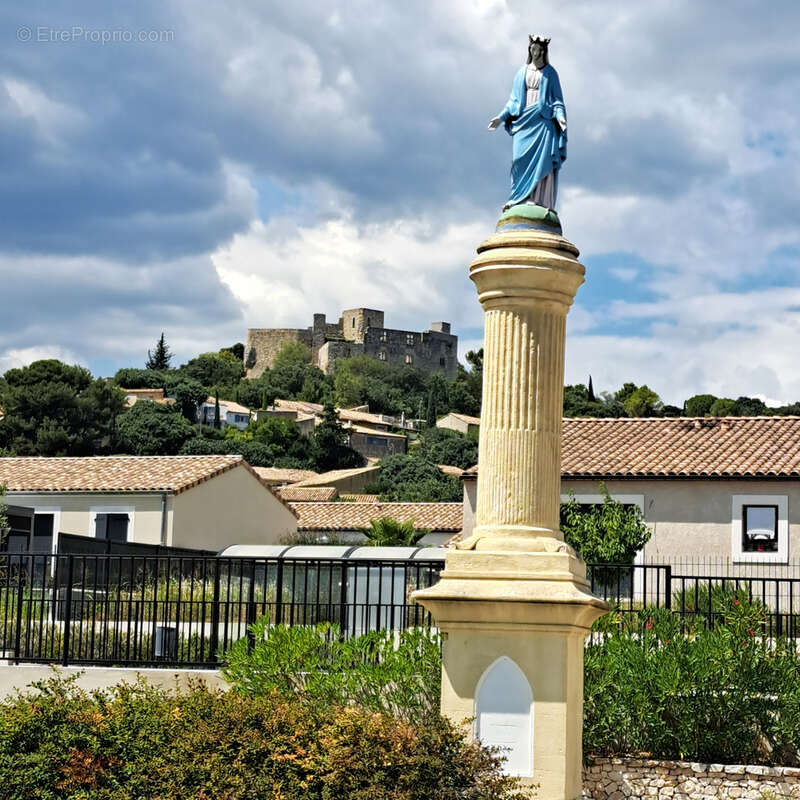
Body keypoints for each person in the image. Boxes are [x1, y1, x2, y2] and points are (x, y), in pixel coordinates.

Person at [489, 35, 567, 212]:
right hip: (524, 120)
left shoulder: (550, 73)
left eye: (539, 49)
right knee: (518, 159)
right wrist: (501, 118)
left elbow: (557, 101)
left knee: (542, 160)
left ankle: (539, 199)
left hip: (543, 121)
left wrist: (561, 118)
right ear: (529, 50)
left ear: (543, 51)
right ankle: (518, 197)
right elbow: (513, 101)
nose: (535, 52)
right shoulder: (521, 72)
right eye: (533, 49)